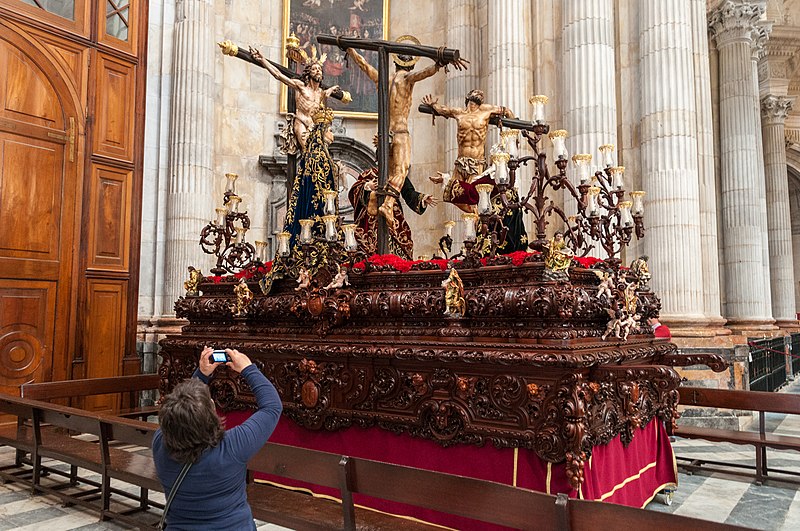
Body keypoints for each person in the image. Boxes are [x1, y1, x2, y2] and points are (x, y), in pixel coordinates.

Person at [153, 347, 282, 530]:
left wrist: (202, 374)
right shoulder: (232, 447)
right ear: (212, 412)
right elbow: (272, 407)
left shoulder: (160, 443)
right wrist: (248, 368)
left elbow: (179, 411)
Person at [345, 36, 467, 226]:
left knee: (390, 174)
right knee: (401, 171)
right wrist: (439, 64)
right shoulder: (408, 79)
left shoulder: (383, 79)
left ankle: (375, 200)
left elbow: (365, 66)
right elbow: (425, 73)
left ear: (394, 61)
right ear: (410, 63)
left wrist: (350, 50)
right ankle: (387, 204)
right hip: (400, 132)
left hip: (385, 135)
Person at [423, 90, 513, 212]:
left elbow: (507, 111)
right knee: (453, 195)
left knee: (473, 197)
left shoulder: (486, 110)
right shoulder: (458, 112)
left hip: (476, 163)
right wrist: (433, 105)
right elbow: (443, 110)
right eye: (476, 93)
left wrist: (511, 133)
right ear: (468, 98)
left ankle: (477, 220)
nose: (479, 93)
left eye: (480, 94)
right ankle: (475, 217)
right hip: (460, 163)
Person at [249, 46, 341, 153]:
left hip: (312, 125)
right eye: (314, 69)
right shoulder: (301, 86)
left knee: (324, 146)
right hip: (301, 122)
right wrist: (263, 60)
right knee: (308, 151)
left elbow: (326, 94)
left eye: (319, 69)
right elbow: (278, 75)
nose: (317, 71)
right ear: (309, 72)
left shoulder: (321, 93)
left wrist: (333, 89)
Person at [348, 167, 438, 259]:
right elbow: (355, 190)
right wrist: (367, 186)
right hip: (373, 218)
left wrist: (422, 198)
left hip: (394, 214)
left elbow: (409, 192)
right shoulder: (369, 174)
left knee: (400, 240)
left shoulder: (398, 174)